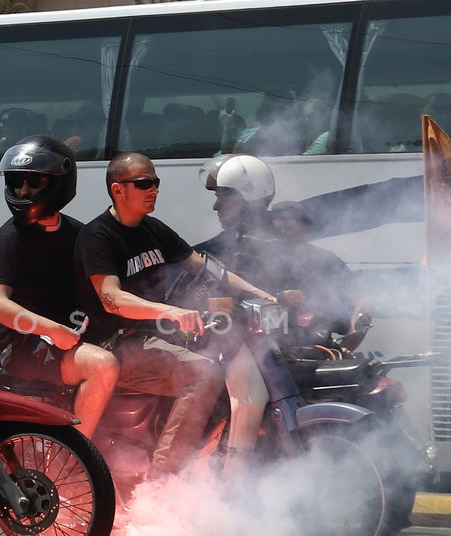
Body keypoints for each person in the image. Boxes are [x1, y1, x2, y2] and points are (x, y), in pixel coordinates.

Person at [75, 152, 275, 478]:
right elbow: (110, 297)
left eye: (155, 182)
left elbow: (205, 266)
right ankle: (162, 482)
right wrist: (171, 311)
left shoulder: (153, 229)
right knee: (203, 374)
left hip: (157, 336)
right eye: (143, 183)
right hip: (116, 342)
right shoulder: (98, 236)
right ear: (118, 190)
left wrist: (262, 295)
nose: (153, 189)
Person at [0, 135, 119, 440]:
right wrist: (53, 330)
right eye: (17, 183)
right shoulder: (10, 239)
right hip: (23, 347)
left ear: (60, 182)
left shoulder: (79, 233)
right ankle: (81, 459)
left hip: (74, 337)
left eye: (33, 182)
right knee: (103, 367)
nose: (23, 191)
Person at [193, 154, 296, 296]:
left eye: (223, 197)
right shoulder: (234, 244)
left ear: (249, 199)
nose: (216, 206)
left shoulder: (261, 247)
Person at [270, 200, 361, 334]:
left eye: (289, 227)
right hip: (271, 340)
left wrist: (352, 333)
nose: (283, 233)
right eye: (278, 229)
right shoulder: (261, 259)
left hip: (317, 337)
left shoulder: (326, 259)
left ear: (304, 227)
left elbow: (359, 298)